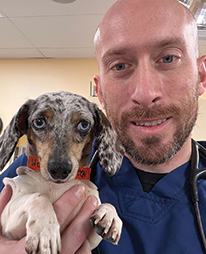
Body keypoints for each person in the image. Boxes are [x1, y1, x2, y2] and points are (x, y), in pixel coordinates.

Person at [1, 0, 206, 253]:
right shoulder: (33, 165)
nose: (145, 93)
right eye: (119, 66)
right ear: (99, 90)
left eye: (168, 58)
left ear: (201, 76)